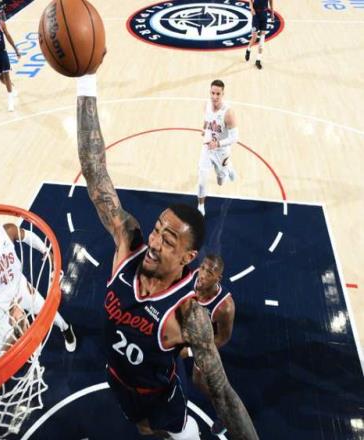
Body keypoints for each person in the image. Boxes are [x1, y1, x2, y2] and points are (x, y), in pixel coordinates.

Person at [76, 73, 258, 439]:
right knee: (145, 431)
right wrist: (86, 78)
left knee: (177, 432)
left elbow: (224, 394)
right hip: (118, 380)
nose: (155, 242)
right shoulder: (129, 245)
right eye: (157, 229)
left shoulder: (189, 314)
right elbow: (95, 171)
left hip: (161, 397)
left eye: (168, 240)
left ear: (188, 256)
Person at [0, 209, 77, 439]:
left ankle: (66, 330)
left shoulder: (7, 230)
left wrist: (46, 250)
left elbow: (27, 236)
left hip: (20, 288)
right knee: (5, 350)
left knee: (48, 312)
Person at [180, 255, 235, 436]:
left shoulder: (224, 307)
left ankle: (226, 414)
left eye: (209, 272)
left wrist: (190, 351)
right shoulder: (191, 277)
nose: (202, 274)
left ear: (218, 278)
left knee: (198, 380)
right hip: (185, 329)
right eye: (202, 268)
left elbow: (222, 338)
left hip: (203, 342)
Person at [197, 79, 238, 217]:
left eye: (218, 94)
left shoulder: (228, 113)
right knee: (202, 180)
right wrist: (204, 129)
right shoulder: (207, 105)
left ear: (223, 94)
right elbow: (207, 119)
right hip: (207, 148)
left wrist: (218, 144)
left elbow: (234, 138)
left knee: (220, 181)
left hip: (221, 151)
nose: (214, 97)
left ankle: (229, 167)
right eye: (212, 93)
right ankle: (201, 205)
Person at [245, 0, 274, 70]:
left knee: (262, 39)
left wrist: (272, 13)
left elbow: (271, 1)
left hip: (264, 15)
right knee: (254, 38)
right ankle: (248, 49)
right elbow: (250, 1)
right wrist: (251, 8)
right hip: (256, 15)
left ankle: (258, 60)